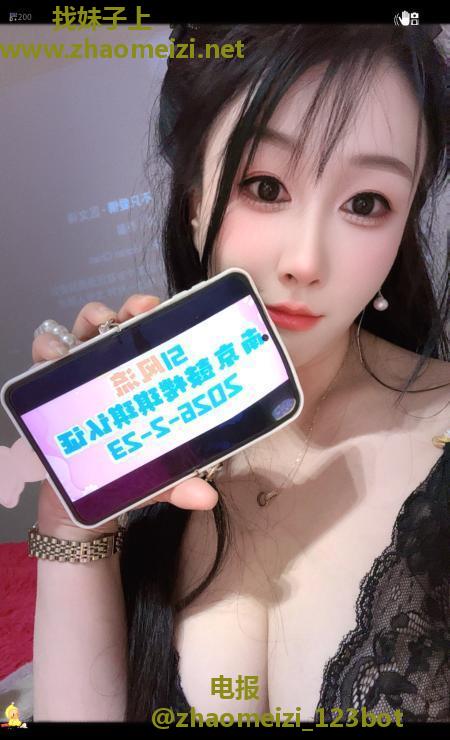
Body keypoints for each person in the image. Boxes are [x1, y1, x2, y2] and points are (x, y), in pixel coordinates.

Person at [30, 24, 448, 723]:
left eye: (366, 203)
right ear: (196, 199)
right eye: (265, 185)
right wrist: (76, 530)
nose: (306, 261)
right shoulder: (146, 443)